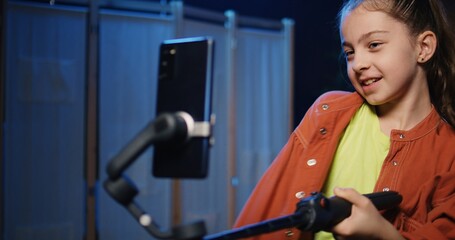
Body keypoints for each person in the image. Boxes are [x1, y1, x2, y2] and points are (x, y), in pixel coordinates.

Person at [233, 0, 455, 239]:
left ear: (424, 47)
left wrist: (383, 234)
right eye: (349, 52)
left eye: (374, 44)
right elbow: (267, 206)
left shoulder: (449, 153)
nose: (358, 64)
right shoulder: (326, 113)